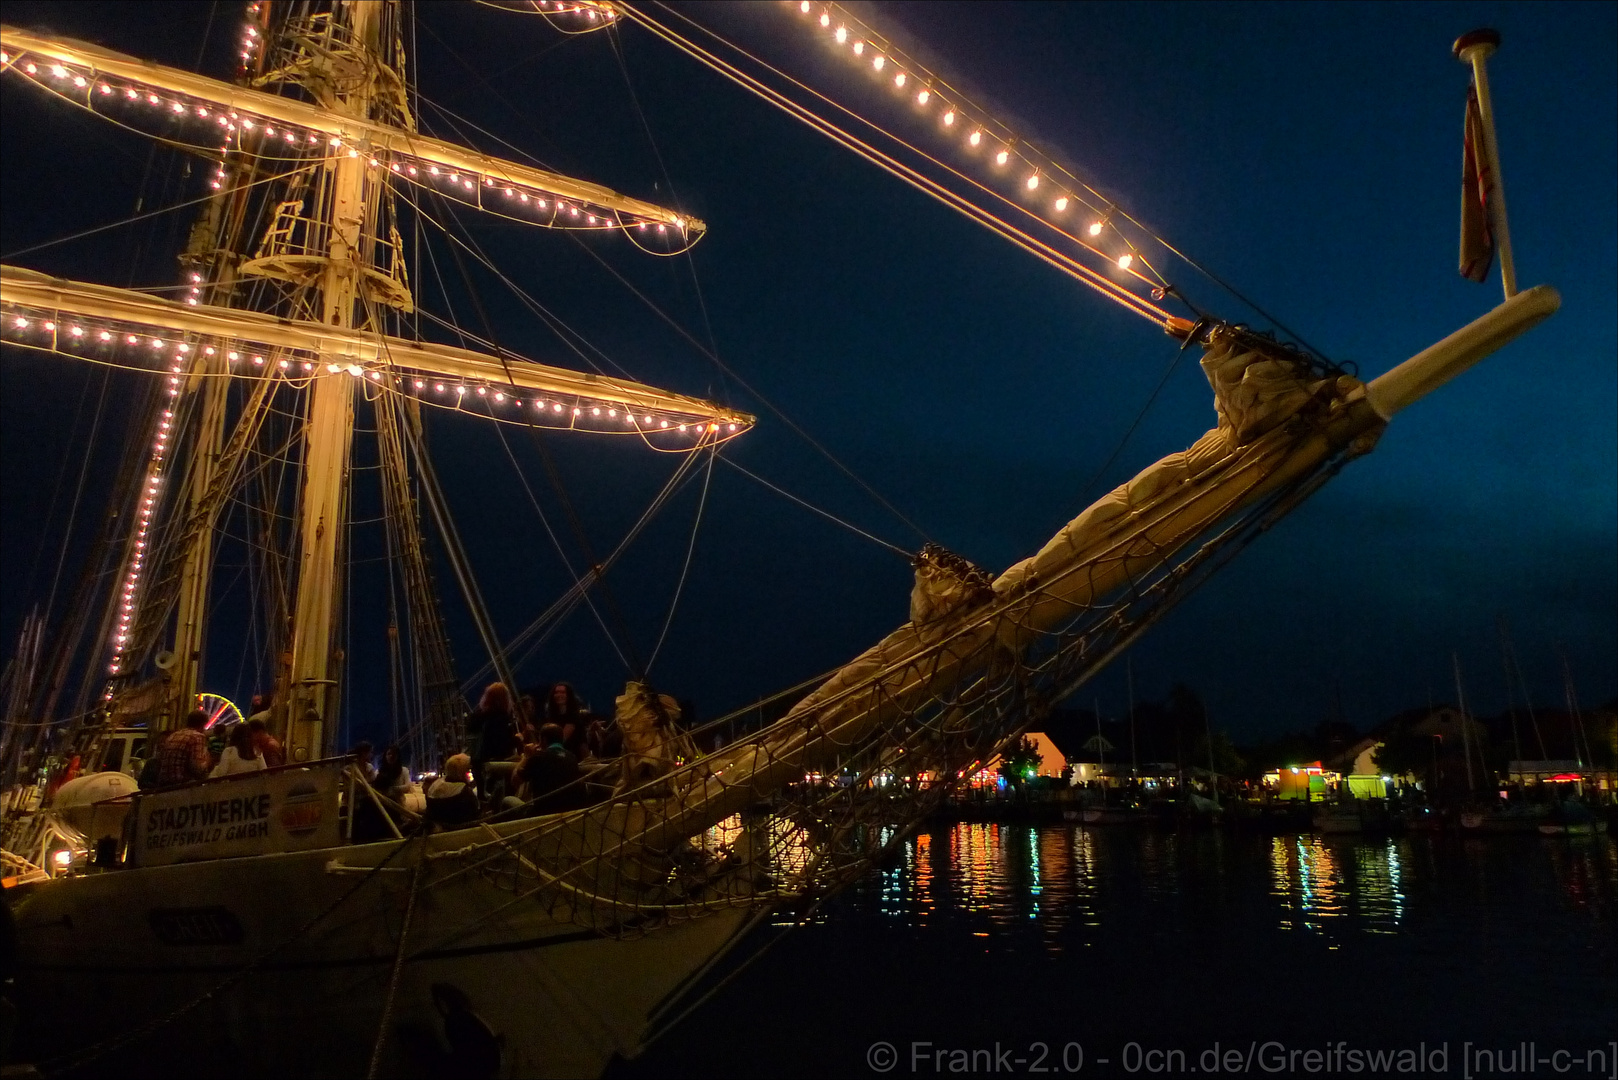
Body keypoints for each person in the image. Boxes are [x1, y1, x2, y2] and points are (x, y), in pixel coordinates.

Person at [510, 723, 585, 814]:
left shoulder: (538, 757)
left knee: (508, 800)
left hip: (541, 815)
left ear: (543, 740)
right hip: (568, 814)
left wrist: (526, 756)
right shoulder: (572, 758)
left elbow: (515, 780)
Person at [466, 683, 519, 802]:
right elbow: (500, 744)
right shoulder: (500, 718)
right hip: (494, 766)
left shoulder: (476, 717)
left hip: (478, 763)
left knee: (482, 796)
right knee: (498, 797)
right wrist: (517, 739)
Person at [155, 708, 214, 787]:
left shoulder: (173, 735)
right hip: (183, 784)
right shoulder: (197, 736)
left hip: (164, 784)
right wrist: (207, 761)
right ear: (202, 724)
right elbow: (197, 768)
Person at [426, 754, 480, 829]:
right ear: (463, 772)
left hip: (436, 827)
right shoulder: (464, 792)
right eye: (468, 769)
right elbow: (473, 814)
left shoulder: (434, 786)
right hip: (459, 830)